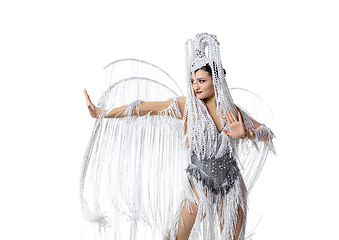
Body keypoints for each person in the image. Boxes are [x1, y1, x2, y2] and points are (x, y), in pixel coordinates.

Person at [82, 33, 275, 240]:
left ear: (216, 81)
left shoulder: (231, 111)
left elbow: (266, 133)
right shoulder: (187, 107)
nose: (196, 87)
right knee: (176, 237)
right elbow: (143, 108)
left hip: (230, 184)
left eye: (201, 80)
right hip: (199, 183)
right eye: (192, 81)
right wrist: (103, 113)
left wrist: (246, 133)